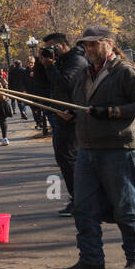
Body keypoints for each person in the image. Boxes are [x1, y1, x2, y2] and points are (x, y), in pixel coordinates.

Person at [56, 25, 135, 269]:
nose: (88, 49)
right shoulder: (83, 74)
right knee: (84, 209)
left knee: (125, 208)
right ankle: (91, 261)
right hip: (87, 151)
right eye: (86, 45)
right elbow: (82, 107)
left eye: (94, 44)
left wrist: (112, 112)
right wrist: (72, 115)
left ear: (109, 44)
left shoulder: (125, 71)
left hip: (118, 150)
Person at [39, 32, 87, 216]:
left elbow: (65, 83)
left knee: (70, 158)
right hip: (60, 116)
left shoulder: (77, 60)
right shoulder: (59, 61)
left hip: (73, 117)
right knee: (64, 158)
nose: (50, 51)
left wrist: (51, 66)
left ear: (62, 45)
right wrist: (42, 63)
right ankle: (79, 198)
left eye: (53, 47)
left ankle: (81, 200)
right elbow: (41, 84)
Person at [29, 54, 50, 136]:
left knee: (43, 110)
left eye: (32, 63)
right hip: (32, 93)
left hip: (41, 93)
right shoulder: (26, 71)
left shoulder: (39, 70)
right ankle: (39, 123)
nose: (30, 65)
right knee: (35, 110)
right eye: (29, 63)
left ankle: (44, 126)